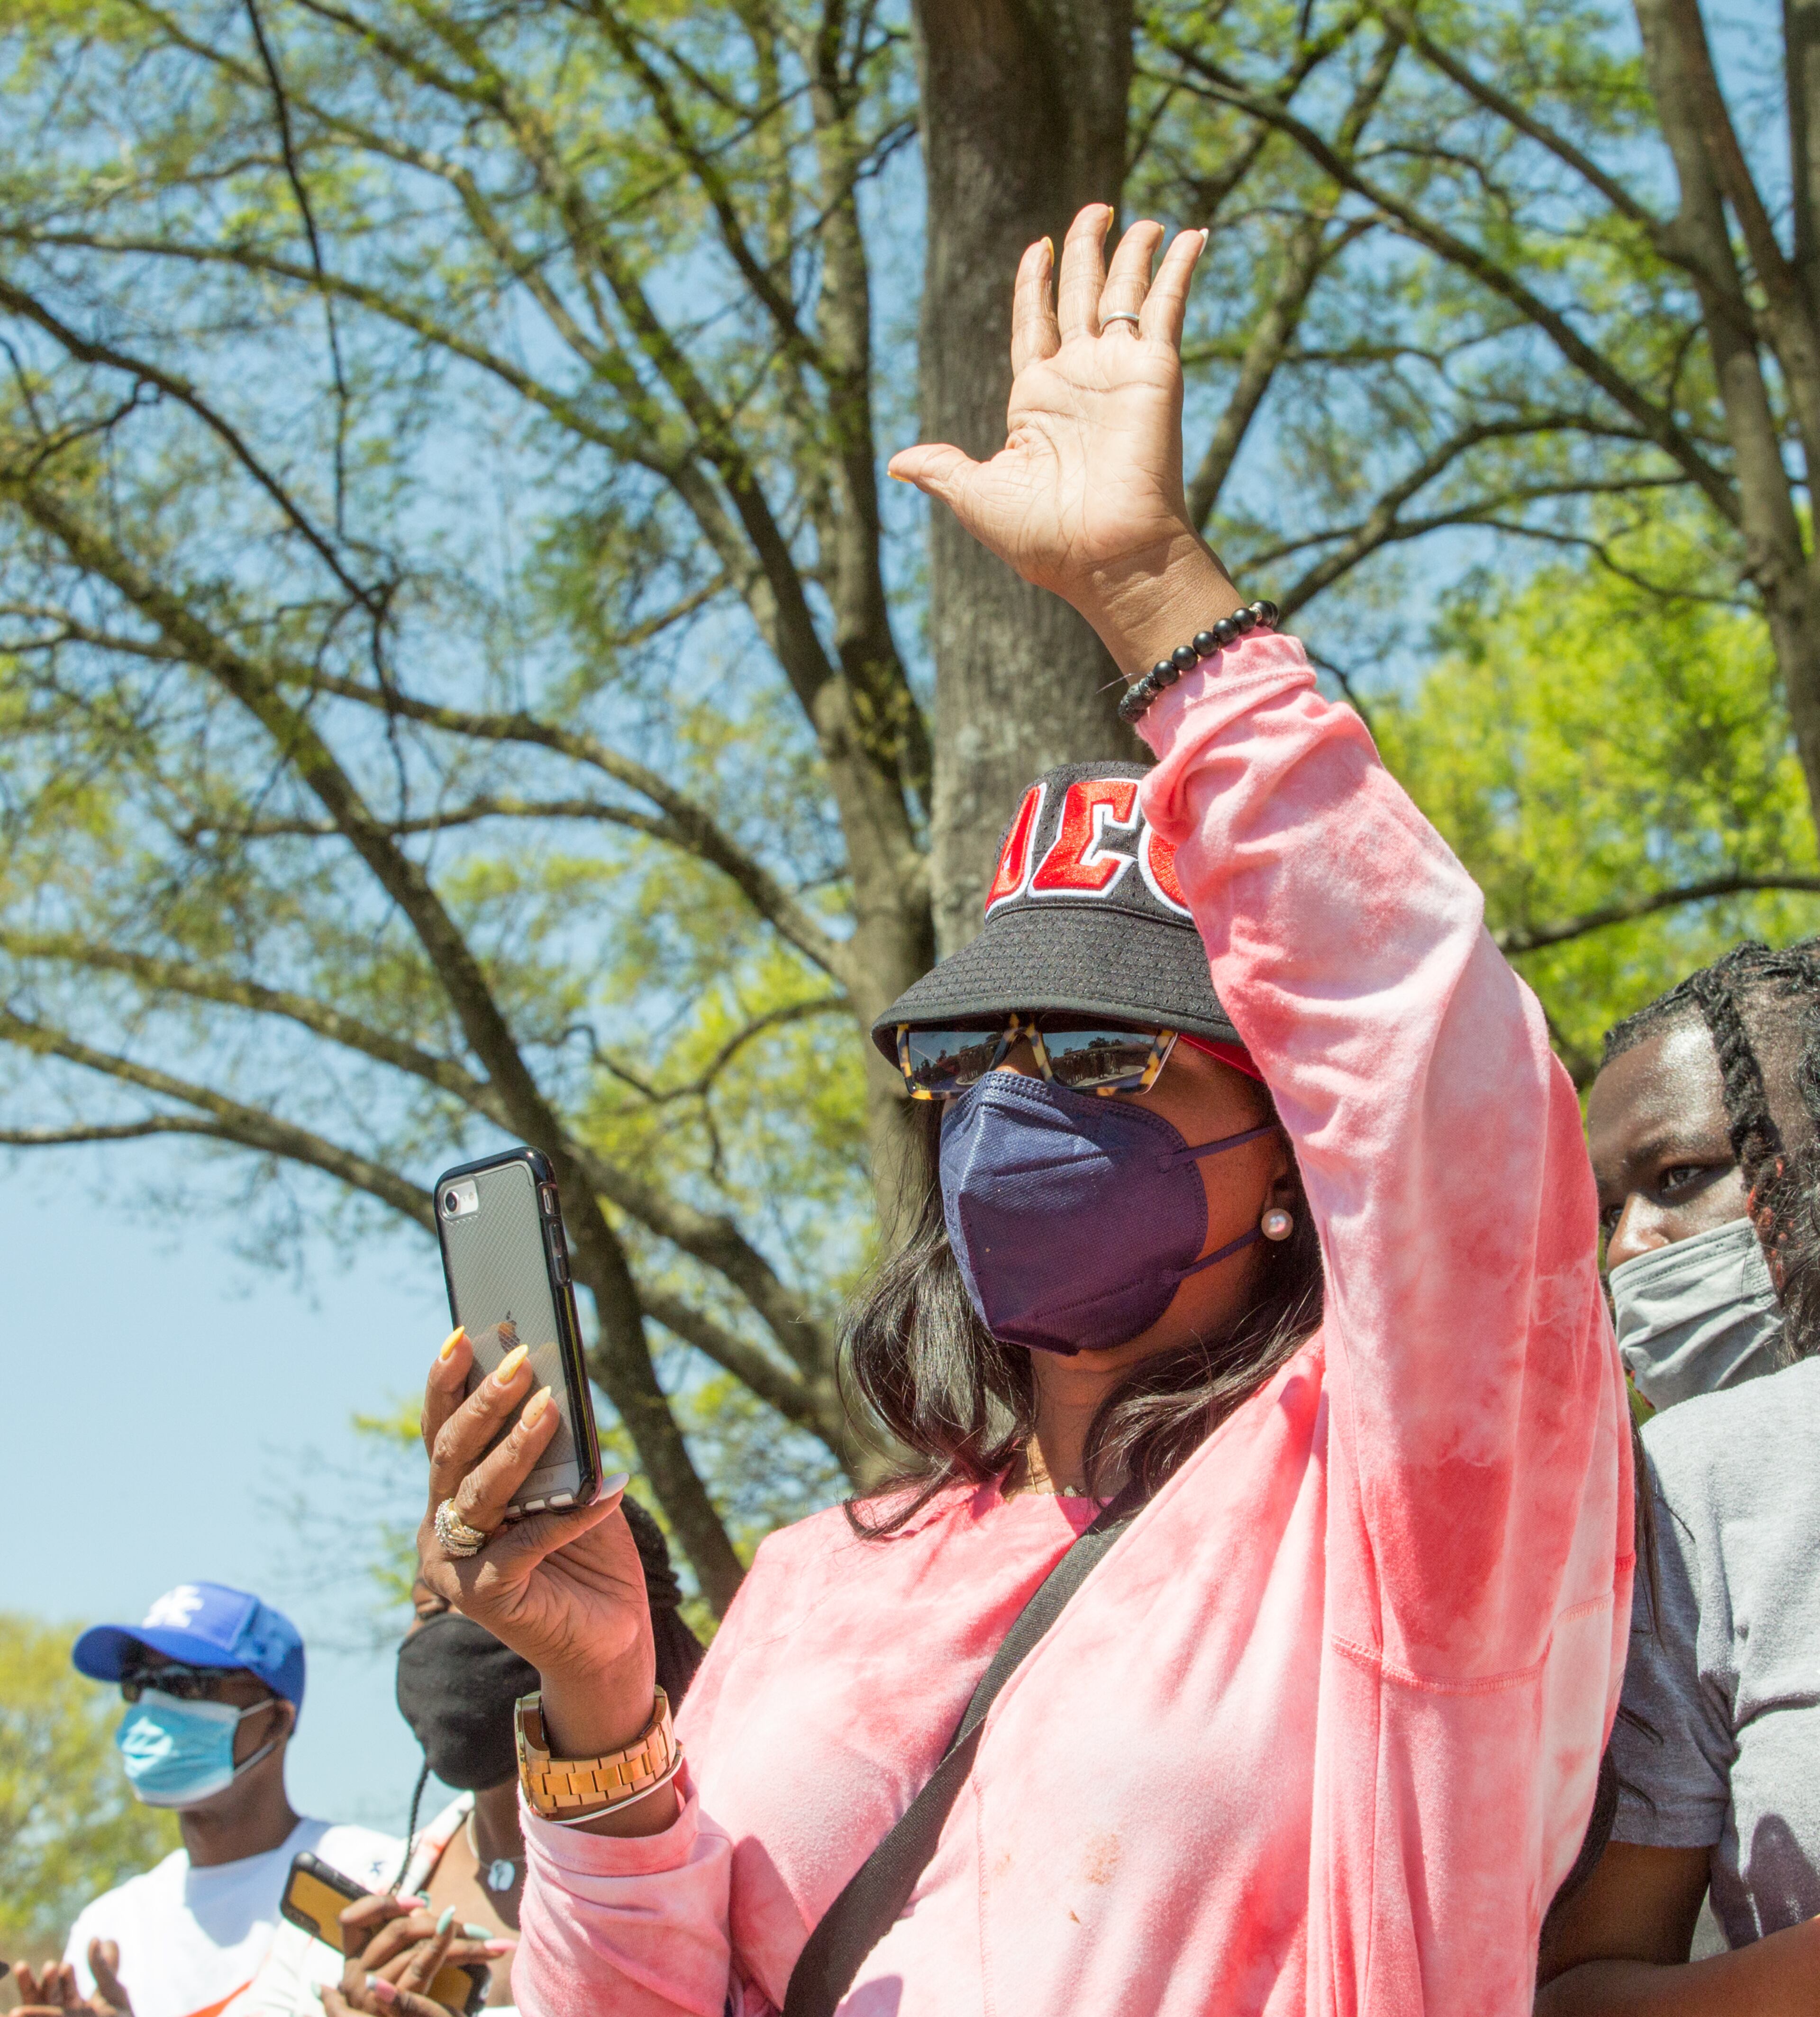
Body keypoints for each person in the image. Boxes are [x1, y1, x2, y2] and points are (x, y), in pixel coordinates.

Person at [413, 205, 1632, 2015]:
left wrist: (1155, 594)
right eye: (971, 1053)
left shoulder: (1396, 1489)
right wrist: (599, 1704)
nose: (1012, 1099)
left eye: (1105, 1050)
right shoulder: (831, 1571)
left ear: (1299, 1154)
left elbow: (1438, 1077)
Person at [1539, 940, 1820, 2008]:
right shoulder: (1686, 1488)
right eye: (1609, 1208)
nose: (1625, 1252)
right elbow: (1584, 1989)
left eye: (1680, 1179)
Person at [263, 1497, 704, 2017]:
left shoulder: (718, 1866)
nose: (453, 1627)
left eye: (503, 1592)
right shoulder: (357, 1902)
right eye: (428, 1607)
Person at [8, 1582, 399, 2017]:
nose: (155, 1706)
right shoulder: (110, 1927)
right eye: (139, 1686)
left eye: (187, 1685)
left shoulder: (370, 1877)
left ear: (276, 1721)